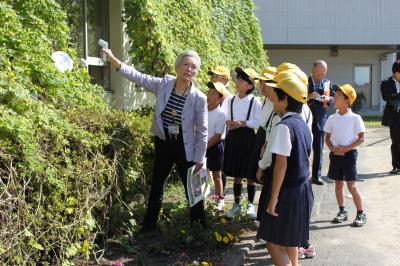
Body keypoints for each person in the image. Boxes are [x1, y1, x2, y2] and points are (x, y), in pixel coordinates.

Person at [101, 48, 208, 231]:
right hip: (164, 142)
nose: (189, 69)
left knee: (193, 188)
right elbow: (138, 77)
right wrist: (114, 61)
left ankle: (198, 228)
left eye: (194, 67)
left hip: (185, 145)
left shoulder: (199, 98)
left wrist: (199, 158)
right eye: (186, 65)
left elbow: (203, 130)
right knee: (157, 184)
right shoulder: (164, 85)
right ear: (177, 67)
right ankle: (149, 225)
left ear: (196, 72)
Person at [257, 72, 313, 266]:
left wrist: (273, 199)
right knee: (291, 239)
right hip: (302, 189)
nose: (272, 97)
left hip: (287, 191)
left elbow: (281, 165)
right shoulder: (303, 124)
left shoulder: (284, 126)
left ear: (285, 99)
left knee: (273, 243)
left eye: (276, 93)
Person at [324, 84, 366, 227]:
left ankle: (361, 212)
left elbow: (361, 138)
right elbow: (327, 138)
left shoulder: (355, 118)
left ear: (347, 101)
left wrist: (345, 149)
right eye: (334, 96)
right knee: (337, 185)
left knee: (352, 186)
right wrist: (332, 148)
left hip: (349, 156)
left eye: (337, 96)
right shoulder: (331, 118)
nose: (334, 99)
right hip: (335, 156)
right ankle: (342, 211)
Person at [224, 67, 262, 220]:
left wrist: (243, 123)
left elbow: (258, 122)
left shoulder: (254, 101)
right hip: (233, 137)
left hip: (248, 138)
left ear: (250, 86)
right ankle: (236, 203)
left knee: (250, 174)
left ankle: (251, 205)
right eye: (237, 79)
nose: (237, 82)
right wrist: (229, 122)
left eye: (241, 80)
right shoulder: (231, 99)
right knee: (237, 174)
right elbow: (226, 116)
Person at [307, 60, 335, 185]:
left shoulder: (327, 84)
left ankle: (316, 176)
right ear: (312, 71)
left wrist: (328, 98)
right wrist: (309, 97)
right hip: (305, 119)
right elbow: (297, 98)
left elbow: (334, 99)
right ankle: (302, 174)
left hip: (320, 120)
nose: (320, 77)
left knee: (318, 149)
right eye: (318, 74)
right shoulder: (305, 82)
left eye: (322, 74)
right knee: (304, 148)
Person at [208, 66, 233, 191]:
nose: (213, 78)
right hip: (208, 135)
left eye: (216, 75)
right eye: (212, 75)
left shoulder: (230, 98)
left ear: (225, 78)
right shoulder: (211, 94)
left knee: (220, 170)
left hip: (223, 136)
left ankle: (220, 197)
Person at [206, 81, 227, 211]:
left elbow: (217, 136)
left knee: (216, 175)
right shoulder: (202, 109)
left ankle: (220, 199)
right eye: (209, 92)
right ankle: (202, 197)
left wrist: (204, 146)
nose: (210, 96)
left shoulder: (221, 114)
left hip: (214, 146)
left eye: (214, 94)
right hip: (202, 145)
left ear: (221, 99)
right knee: (201, 173)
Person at [380, 60, 400, 174]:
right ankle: (396, 166)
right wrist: (398, 96)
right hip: (394, 115)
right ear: (395, 72)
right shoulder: (386, 82)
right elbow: (385, 97)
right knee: (395, 142)